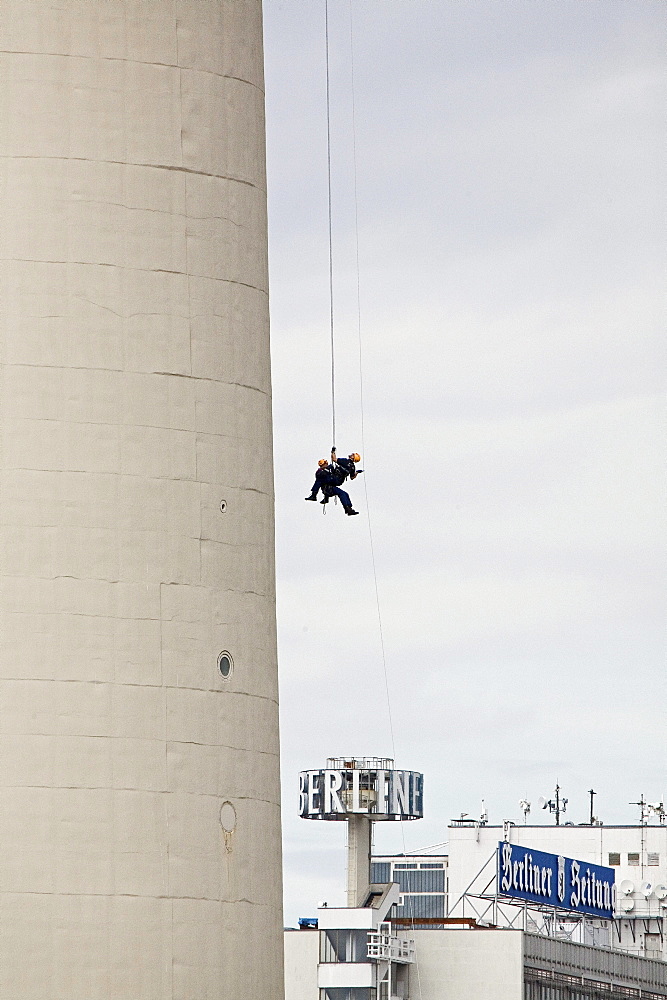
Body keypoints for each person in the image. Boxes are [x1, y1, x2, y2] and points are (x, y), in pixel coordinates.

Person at [305, 449, 362, 516]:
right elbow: (352, 478)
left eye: (353, 455)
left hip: (334, 478)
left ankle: (314, 495)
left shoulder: (345, 461)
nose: (351, 454)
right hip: (339, 481)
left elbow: (334, 459)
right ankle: (348, 509)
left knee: (320, 479)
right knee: (344, 493)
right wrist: (357, 472)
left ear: (353, 458)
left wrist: (333, 452)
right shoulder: (352, 467)